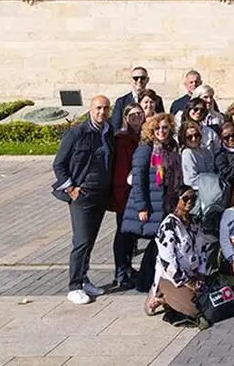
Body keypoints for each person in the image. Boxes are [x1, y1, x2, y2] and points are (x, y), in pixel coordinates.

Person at [55, 94, 115, 305]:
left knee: (90, 240)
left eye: (106, 109)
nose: (102, 112)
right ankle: (74, 286)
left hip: (101, 194)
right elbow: (59, 164)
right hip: (83, 195)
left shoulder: (108, 132)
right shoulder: (77, 133)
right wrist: (71, 188)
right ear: (91, 109)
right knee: (81, 241)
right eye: (98, 108)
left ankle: (84, 278)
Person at [121, 114, 182, 300]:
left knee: (161, 242)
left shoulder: (171, 147)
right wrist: (142, 207)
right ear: (151, 131)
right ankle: (144, 281)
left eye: (165, 128)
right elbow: (138, 180)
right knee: (156, 242)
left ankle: (152, 279)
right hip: (152, 203)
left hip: (166, 202)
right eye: (157, 129)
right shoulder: (145, 149)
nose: (162, 132)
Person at [152, 184, 209, 329]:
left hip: (194, 274)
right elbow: (168, 263)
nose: (190, 201)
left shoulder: (196, 221)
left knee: (210, 299)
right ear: (177, 200)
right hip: (172, 278)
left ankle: (172, 299)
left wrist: (201, 274)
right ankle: (163, 298)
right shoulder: (168, 226)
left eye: (193, 198)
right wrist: (188, 282)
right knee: (197, 309)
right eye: (185, 198)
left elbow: (203, 250)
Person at [109, 104, 143, 290]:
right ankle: (120, 273)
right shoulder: (122, 139)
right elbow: (122, 171)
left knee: (131, 234)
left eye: (139, 114)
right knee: (123, 233)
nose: (137, 117)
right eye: (132, 114)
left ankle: (128, 267)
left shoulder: (143, 137)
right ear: (125, 117)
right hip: (125, 193)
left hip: (137, 192)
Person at [113, 68, 164, 132]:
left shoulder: (157, 99)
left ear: (147, 80)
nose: (139, 80)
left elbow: (162, 121)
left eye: (142, 78)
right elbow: (116, 127)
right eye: (135, 78)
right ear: (131, 80)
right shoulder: (121, 102)